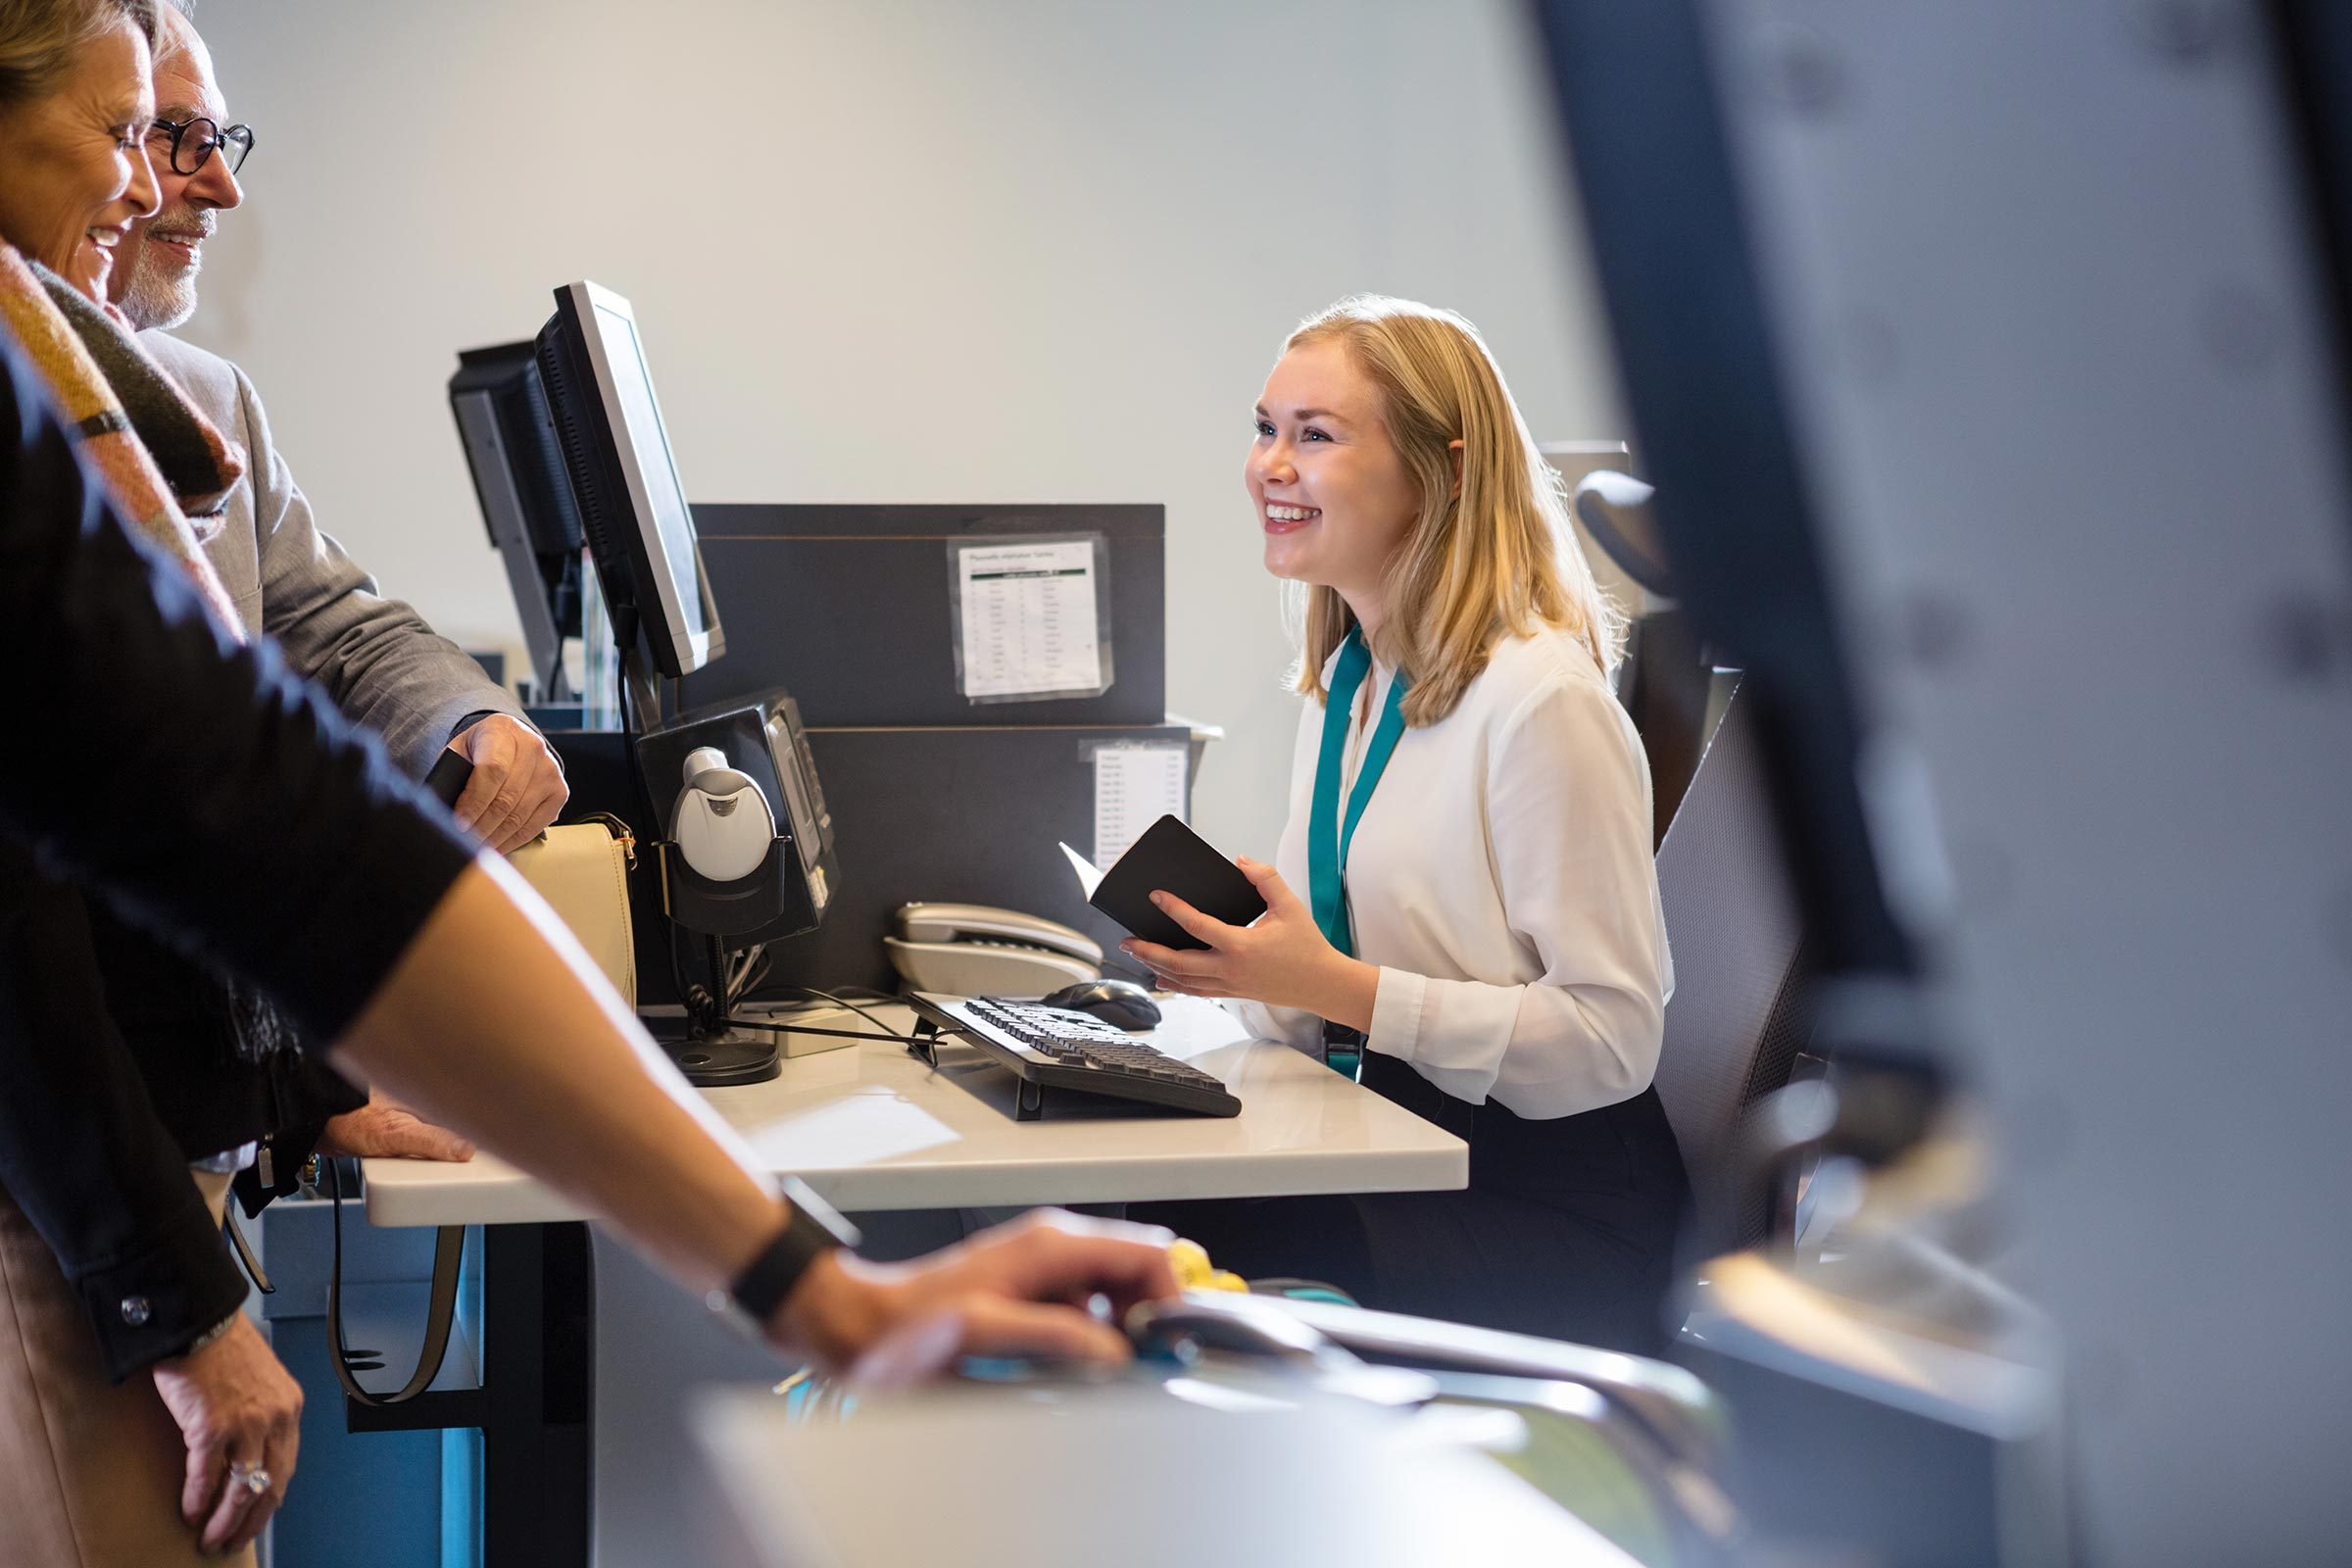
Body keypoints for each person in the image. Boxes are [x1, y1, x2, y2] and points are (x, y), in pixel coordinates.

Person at [0, 279, 1180, 1563]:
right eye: (130, 127)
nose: (178, 177)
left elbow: (317, 854)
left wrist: (822, 1295)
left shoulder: (75, 434)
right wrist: (176, 1302)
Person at [1131, 297, 1690, 1355]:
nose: (1270, 466)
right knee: (1139, 1230)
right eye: (1265, 429)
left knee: (1178, 1257)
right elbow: (1336, 989)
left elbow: (1613, 1040)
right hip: (1402, 1143)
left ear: (1446, 469)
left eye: (1317, 435)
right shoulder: (1350, 679)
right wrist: (1239, 973)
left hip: (1552, 1213)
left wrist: (1327, 987)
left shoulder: (1539, 701)